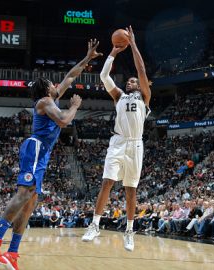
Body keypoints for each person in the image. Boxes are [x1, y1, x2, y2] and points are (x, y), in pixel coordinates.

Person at [0, 39, 102, 270]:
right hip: (35, 147)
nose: (58, 84)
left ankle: (12, 253)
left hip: (42, 152)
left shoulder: (51, 98)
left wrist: (87, 58)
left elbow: (71, 76)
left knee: (30, 203)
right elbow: (65, 120)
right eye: (52, 84)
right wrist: (75, 105)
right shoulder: (45, 101)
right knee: (25, 194)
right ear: (47, 89)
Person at [82, 26, 151, 252]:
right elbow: (104, 76)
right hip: (118, 142)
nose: (131, 82)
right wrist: (113, 52)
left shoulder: (145, 98)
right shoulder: (118, 96)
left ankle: (129, 230)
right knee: (107, 181)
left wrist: (133, 44)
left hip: (136, 144)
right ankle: (95, 224)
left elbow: (140, 68)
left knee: (130, 189)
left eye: (134, 81)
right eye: (129, 81)